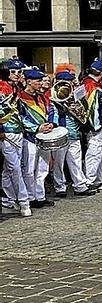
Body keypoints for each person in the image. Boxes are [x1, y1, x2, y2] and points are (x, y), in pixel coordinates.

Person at [17, 68, 58, 209]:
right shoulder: (20, 98)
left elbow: (52, 110)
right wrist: (36, 128)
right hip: (30, 137)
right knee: (29, 168)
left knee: (42, 168)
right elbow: (19, 118)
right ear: (29, 82)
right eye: (38, 81)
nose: (41, 83)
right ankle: (30, 196)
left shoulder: (42, 97)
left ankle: (40, 196)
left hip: (45, 136)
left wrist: (52, 123)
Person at [51, 70, 96, 197]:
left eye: (71, 81)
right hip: (60, 132)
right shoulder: (54, 97)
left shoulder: (74, 95)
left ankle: (80, 186)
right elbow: (53, 114)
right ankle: (60, 187)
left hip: (74, 132)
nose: (72, 83)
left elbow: (83, 113)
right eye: (69, 81)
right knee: (58, 163)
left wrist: (80, 102)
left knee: (75, 160)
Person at [0, 65, 30, 216]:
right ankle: (24, 201)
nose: (17, 75)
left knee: (8, 169)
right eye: (13, 72)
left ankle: (9, 199)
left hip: (19, 130)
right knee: (15, 168)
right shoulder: (1, 88)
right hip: (6, 132)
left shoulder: (17, 89)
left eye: (19, 72)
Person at [82, 61, 102, 191]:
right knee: (94, 153)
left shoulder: (91, 84)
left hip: (99, 124)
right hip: (97, 126)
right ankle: (90, 180)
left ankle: (97, 179)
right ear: (101, 73)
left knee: (99, 153)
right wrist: (97, 126)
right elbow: (93, 109)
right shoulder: (91, 86)